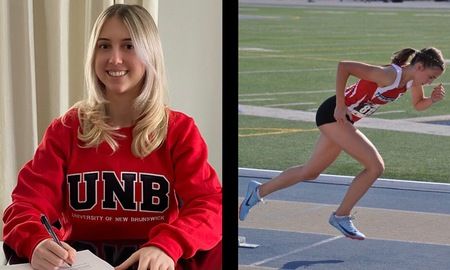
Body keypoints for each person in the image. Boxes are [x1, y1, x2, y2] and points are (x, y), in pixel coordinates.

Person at [2, 4, 222, 270]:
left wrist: (167, 245)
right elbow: (26, 204)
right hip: (80, 262)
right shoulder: (68, 129)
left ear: (149, 54)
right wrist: (36, 242)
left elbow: (211, 205)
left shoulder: (178, 130)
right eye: (104, 46)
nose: (115, 59)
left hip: (152, 261)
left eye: (129, 46)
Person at [239, 47, 446, 240]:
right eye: (430, 77)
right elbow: (343, 66)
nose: (429, 82)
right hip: (333, 115)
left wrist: (432, 100)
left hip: (344, 120)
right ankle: (341, 215)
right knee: (375, 166)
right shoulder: (388, 75)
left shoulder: (413, 82)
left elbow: (419, 105)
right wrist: (340, 105)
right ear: (418, 67)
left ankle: (257, 192)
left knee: (310, 172)